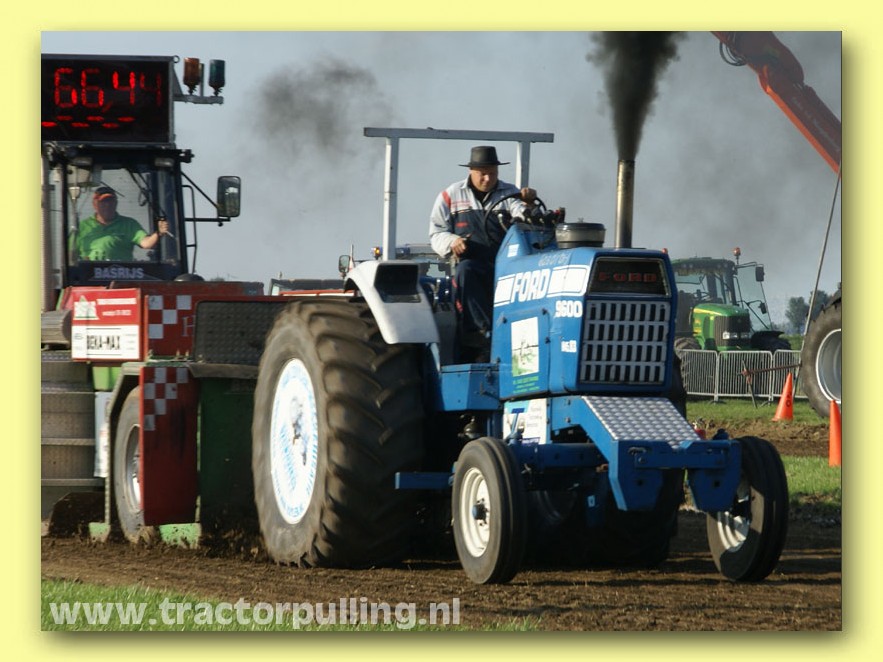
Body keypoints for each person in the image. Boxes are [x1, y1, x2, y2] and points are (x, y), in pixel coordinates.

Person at [429, 146, 537, 361]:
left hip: (507, 267)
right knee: (466, 270)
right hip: (473, 266)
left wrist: (529, 205)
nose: (488, 179)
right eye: (483, 173)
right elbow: (436, 233)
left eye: (492, 173)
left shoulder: (510, 194)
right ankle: (481, 335)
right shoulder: (451, 195)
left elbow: (526, 216)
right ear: (471, 171)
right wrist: (453, 241)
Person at [71, 187, 169, 261]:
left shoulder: (129, 224)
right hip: (88, 277)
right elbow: (69, 254)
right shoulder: (82, 227)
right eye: (103, 202)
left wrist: (159, 233)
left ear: (116, 203)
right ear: (95, 205)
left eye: (110, 201)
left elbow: (147, 243)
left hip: (122, 276)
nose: (107, 205)